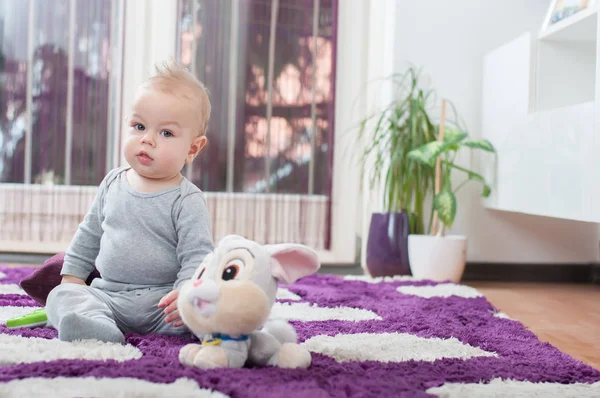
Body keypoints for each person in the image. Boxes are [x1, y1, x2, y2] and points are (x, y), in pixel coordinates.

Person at [45, 60, 214, 343]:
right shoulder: (113, 183)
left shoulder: (187, 200)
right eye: (139, 126)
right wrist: (72, 278)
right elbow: (88, 234)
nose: (147, 140)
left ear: (193, 148)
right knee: (61, 297)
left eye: (166, 133)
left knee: (208, 309)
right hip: (107, 296)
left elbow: (197, 256)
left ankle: (231, 333)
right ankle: (96, 326)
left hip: (163, 305)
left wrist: (185, 293)